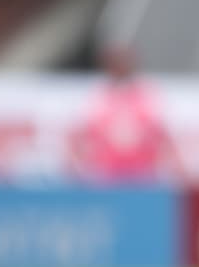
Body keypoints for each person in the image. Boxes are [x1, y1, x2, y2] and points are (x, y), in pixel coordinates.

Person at [72, 44, 181, 184]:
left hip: (142, 176)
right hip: (106, 176)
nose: (120, 67)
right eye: (116, 62)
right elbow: (81, 137)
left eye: (124, 62)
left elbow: (162, 135)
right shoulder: (95, 97)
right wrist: (82, 169)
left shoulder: (148, 95)